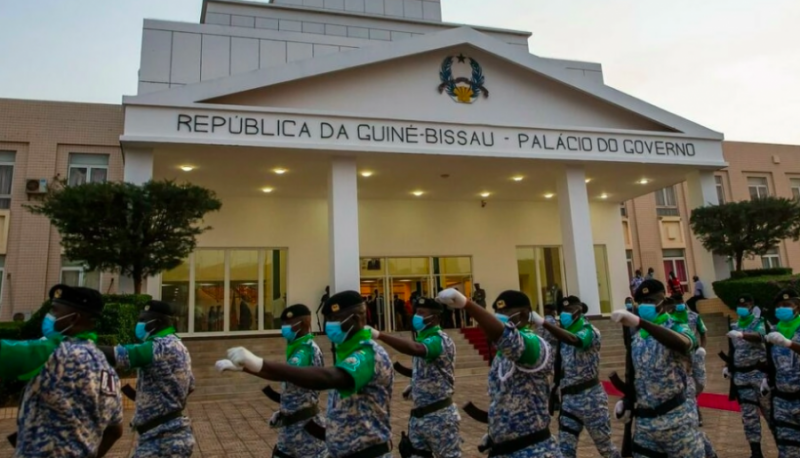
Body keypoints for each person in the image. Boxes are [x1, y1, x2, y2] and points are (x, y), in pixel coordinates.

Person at [222, 291, 393, 458]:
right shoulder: (348, 352)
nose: (329, 325)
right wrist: (246, 367)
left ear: (355, 319)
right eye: (328, 320)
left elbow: (329, 377)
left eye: (334, 319)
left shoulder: (368, 354)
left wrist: (260, 364)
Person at [0, 285, 123, 457]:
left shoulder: (53, 353)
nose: (49, 317)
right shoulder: (106, 368)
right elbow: (115, 430)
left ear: (73, 318)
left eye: (55, 311)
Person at [437, 288, 561, 456]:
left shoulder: (534, 344)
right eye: (497, 313)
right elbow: (503, 400)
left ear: (524, 315)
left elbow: (507, 336)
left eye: (506, 312)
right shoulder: (502, 355)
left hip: (533, 450)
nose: (500, 317)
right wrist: (495, 432)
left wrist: (467, 304)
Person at [610, 279, 705, 458]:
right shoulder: (637, 339)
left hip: (677, 422)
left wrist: (641, 322)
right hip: (645, 426)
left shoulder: (677, 326)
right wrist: (627, 400)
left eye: (651, 301)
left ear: (663, 301)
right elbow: (635, 377)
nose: (646, 306)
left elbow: (684, 344)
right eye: (643, 302)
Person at [217, 304, 326, 458]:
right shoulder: (297, 346)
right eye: (283, 324)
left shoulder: (306, 349)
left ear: (303, 324)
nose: (284, 328)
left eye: (288, 324)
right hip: (292, 426)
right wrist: (244, 368)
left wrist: (251, 365)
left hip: (305, 430)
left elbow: (284, 374)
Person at [100, 300, 195, 457]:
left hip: (162, 439)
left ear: (156, 323)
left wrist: (80, 345)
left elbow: (121, 355)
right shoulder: (179, 346)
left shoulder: (158, 347)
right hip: (169, 434)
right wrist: (162, 399)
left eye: (143, 320)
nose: (139, 324)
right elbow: (190, 385)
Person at [372, 297, 461, 458]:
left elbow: (416, 349)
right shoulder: (425, 338)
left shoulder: (439, 340)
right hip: (419, 417)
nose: (416, 316)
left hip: (439, 417)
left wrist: (380, 335)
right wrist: (415, 385)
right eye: (416, 312)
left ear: (434, 318)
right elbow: (428, 369)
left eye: (421, 313)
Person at [533, 296, 620, 458]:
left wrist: (545, 323)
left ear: (579, 311)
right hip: (569, 401)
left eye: (569, 310)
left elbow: (576, 340)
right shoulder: (564, 335)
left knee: (606, 449)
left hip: (591, 400)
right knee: (564, 450)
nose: (565, 314)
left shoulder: (590, 331)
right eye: (563, 311)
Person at [666, 299, 717, 458]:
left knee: (700, 383)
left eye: (680, 301)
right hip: (682, 362)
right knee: (689, 389)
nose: (678, 305)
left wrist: (702, 347)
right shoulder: (670, 318)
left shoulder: (694, 316)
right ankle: (696, 410)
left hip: (696, 355)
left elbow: (703, 332)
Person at [724, 294, 771, 458]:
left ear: (752, 306)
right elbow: (732, 349)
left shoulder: (760, 323)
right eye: (740, 304)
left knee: (770, 412)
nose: (743, 306)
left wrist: (742, 335)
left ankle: (785, 445)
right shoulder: (733, 324)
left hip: (759, 375)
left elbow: (761, 337)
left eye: (747, 303)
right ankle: (756, 451)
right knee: (749, 416)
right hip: (741, 377)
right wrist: (727, 366)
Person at [763, 289, 800, 457]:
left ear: (797, 307)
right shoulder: (774, 331)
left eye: (787, 305)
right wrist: (767, 379)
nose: (781, 309)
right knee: (786, 448)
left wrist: (788, 343)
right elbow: (771, 361)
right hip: (782, 400)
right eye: (778, 306)